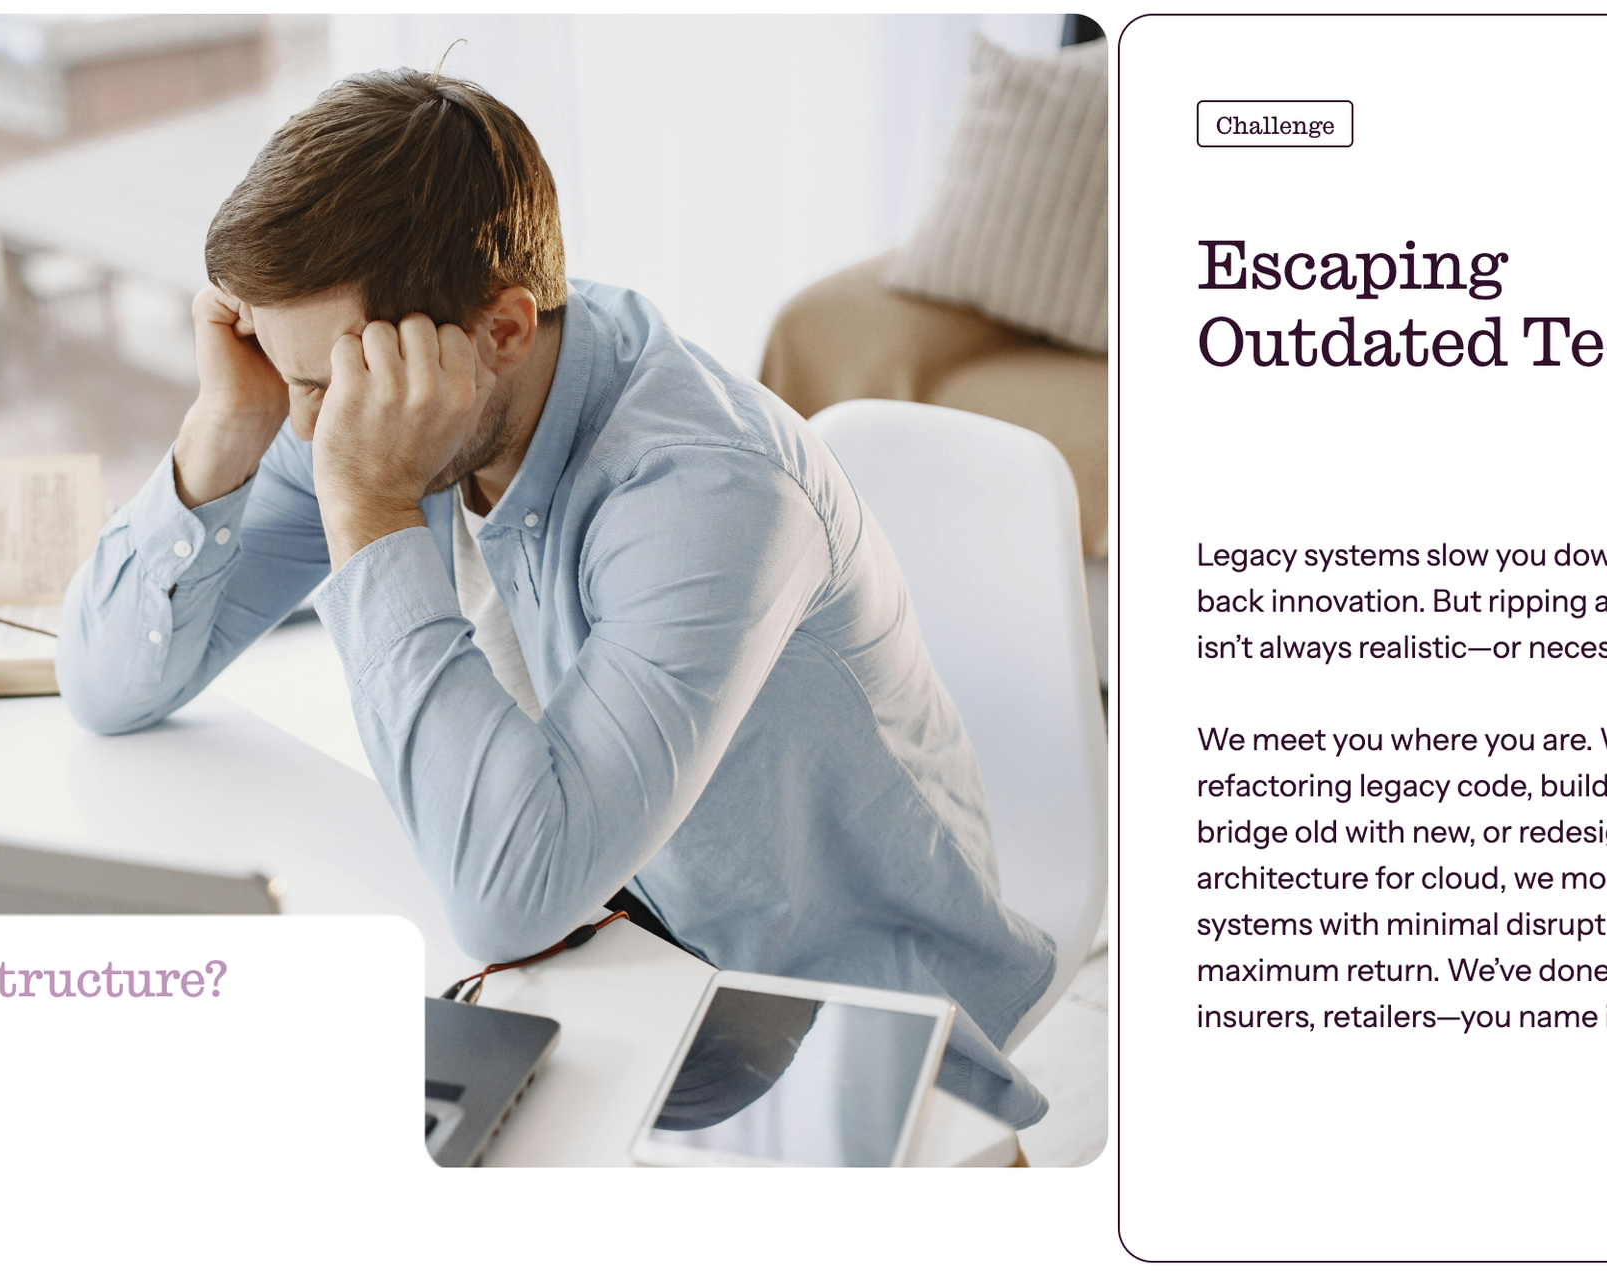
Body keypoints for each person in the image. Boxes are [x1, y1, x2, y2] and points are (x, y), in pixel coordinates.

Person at [57, 69, 1054, 1128]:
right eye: (282, 372)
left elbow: (505, 897)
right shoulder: (380, 398)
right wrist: (222, 427)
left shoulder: (704, 492)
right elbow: (108, 685)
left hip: (820, 1022)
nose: (305, 433)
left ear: (500, 332)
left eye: (319, 387)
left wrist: (371, 508)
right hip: (603, 950)